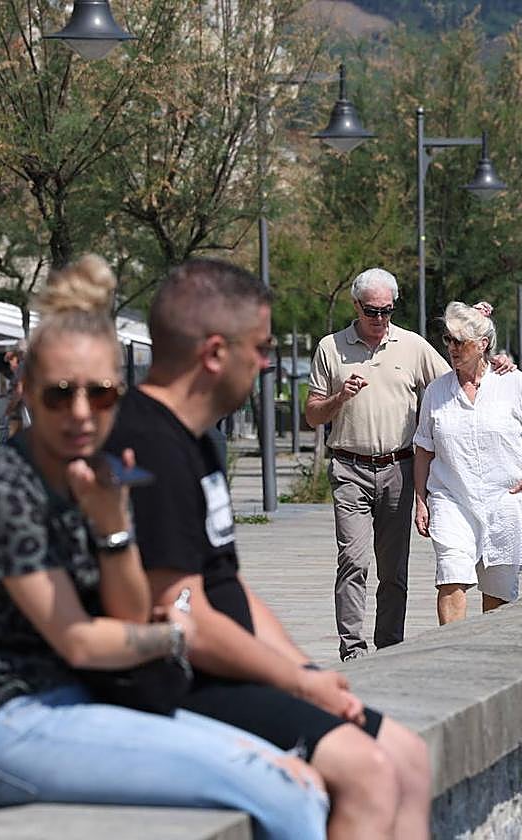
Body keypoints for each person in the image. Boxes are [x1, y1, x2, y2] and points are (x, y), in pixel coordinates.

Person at [0, 256, 327, 840]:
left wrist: (114, 528)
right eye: (60, 395)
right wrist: (175, 636)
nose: (82, 413)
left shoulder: (97, 473)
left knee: (299, 773)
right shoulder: (4, 490)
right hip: (2, 726)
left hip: (80, 706)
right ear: (26, 391)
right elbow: (82, 641)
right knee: (284, 792)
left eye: (103, 393)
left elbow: (127, 615)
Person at [104, 259, 431, 840]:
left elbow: (227, 587)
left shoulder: (202, 444)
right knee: (365, 772)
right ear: (213, 354)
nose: (264, 366)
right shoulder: (145, 447)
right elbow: (184, 613)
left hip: (225, 668)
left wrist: (305, 670)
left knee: (408, 755)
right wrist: (298, 684)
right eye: (259, 349)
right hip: (171, 689)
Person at [305, 268, 511, 661]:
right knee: (352, 559)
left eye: (387, 311)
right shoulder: (330, 348)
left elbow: (458, 374)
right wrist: (338, 399)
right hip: (350, 468)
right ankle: (353, 648)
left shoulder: (411, 345)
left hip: (398, 468)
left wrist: (488, 349)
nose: (380, 319)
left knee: (393, 568)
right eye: (371, 311)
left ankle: (389, 645)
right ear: (356, 306)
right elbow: (312, 415)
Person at [412, 302, 522, 623]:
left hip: (504, 501)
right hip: (451, 499)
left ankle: (489, 658)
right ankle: (452, 653)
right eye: (448, 340)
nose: (452, 348)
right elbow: (423, 449)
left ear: (483, 345)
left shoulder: (512, 383)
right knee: (450, 576)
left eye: (460, 341)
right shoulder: (436, 392)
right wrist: (421, 501)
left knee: (498, 591)